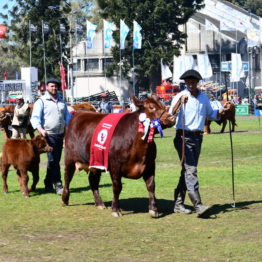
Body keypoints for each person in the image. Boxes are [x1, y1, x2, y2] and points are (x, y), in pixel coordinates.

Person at [169, 69, 230, 217]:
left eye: (193, 82)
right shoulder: (180, 96)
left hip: (198, 137)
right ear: (185, 83)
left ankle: (178, 204)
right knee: (191, 170)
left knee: (187, 171)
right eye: (188, 82)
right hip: (183, 137)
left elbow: (211, 114)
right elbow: (171, 115)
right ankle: (198, 205)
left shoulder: (203, 98)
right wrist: (179, 103)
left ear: (197, 82)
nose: (190, 84)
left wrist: (222, 111)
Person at [31, 78, 70, 195]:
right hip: (48, 135)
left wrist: (69, 130)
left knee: (54, 160)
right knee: (53, 160)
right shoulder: (41, 101)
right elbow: (35, 118)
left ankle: (47, 183)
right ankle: (58, 184)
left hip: (60, 135)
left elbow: (67, 118)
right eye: (51, 86)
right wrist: (41, 130)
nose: (54, 88)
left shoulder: (62, 102)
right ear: (47, 87)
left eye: (55, 86)